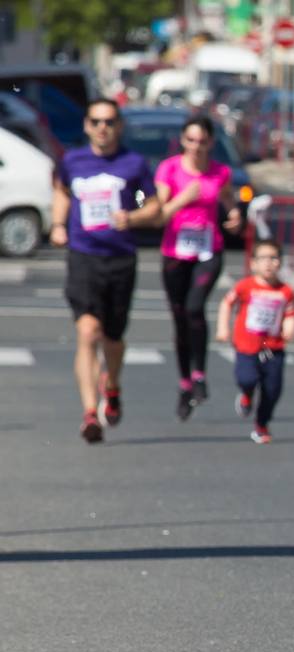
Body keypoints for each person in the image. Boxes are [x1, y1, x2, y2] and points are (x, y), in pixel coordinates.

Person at [52, 99, 161, 444]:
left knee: (113, 338)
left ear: (119, 126)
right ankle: (89, 412)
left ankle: (111, 384)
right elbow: (62, 190)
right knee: (87, 331)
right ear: (86, 125)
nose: (103, 128)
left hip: (121, 258)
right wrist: (57, 224)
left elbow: (150, 201)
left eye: (110, 121)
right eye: (96, 121)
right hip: (84, 256)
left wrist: (135, 216)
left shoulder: (134, 164)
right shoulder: (73, 161)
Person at [154, 114, 241, 421]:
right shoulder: (170, 169)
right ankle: (184, 382)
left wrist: (234, 215)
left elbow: (229, 200)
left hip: (208, 250)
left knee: (194, 309)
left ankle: (200, 373)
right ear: (183, 141)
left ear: (211, 143)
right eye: (190, 141)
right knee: (179, 318)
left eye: (202, 141)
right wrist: (183, 199)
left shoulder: (220, 172)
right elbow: (160, 214)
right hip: (175, 251)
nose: (196, 147)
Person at [213, 239, 294, 444]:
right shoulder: (245, 286)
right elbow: (227, 304)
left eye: (274, 258)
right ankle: (247, 394)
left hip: (273, 347)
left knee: (273, 389)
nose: (268, 263)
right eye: (263, 258)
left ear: (280, 262)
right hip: (247, 345)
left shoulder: (285, 290)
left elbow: (291, 313)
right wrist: (223, 328)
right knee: (247, 378)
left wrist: (289, 327)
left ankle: (261, 425)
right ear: (253, 263)